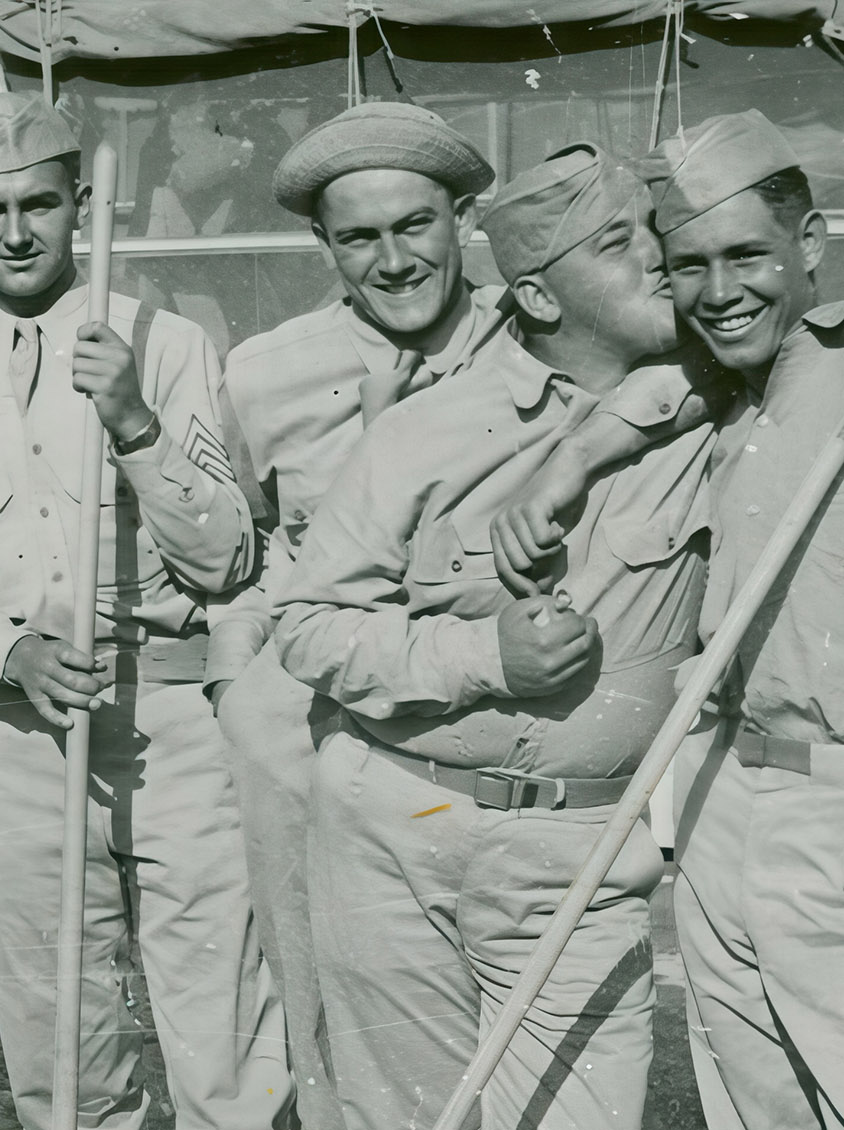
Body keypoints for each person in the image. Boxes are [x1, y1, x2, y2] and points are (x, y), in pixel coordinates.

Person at [271, 144, 714, 1130]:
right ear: (540, 298)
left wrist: (579, 449)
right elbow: (303, 624)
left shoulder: (714, 404)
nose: (656, 258)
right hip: (392, 829)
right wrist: (482, 659)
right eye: (614, 243)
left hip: (576, 851)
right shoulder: (425, 430)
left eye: (653, 232)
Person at [0, 90, 288, 1130]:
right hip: (28, 728)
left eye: (38, 204)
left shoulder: (164, 344)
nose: (15, 232)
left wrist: (133, 421)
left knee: (222, 1030)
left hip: (171, 725)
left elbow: (223, 557)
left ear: (78, 205)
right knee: (55, 1034)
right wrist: (7, 648)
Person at [490, 109, 844, 1130]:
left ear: (809, 244)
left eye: (746, 255)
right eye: (687, 264)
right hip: (721, 793)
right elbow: (667, 383)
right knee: (746, 1091)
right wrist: (568, 460)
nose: (718, 290)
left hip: (833, 804)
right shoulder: (726, 386)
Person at [206, 101, 501, 1130]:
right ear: (321, 245)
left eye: (413, 225)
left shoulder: (530, 342)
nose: (392, 259)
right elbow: (238, 549)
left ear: (459, 216)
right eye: (358, 237)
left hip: (476, 716)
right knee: (324, 993)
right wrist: (237, 684)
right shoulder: (261, 369)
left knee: (497, 996)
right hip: (306, 723)